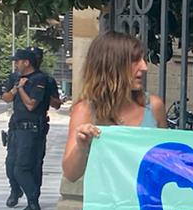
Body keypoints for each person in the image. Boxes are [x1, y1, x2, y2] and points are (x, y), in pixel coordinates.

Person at [61, 32, 166, 183]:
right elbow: (71, 174)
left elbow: (166, 161)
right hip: (105, 205)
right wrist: (81, 145)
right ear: (112, 65)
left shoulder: (154, 106)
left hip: (145, 204)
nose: (144, 67)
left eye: (143, 59)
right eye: (135, 60)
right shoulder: (85, 110)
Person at [1, 47, 61, 210]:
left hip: (33, 129)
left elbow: (36, 105)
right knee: (11, 164)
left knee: (28, 167)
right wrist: (16, 89)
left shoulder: (44, 80)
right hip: (16, 128)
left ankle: (33, 204)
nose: (16, 64)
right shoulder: (15, 78)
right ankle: (16, 190)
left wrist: (42, 96)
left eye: (18, 61)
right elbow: (5, 97)